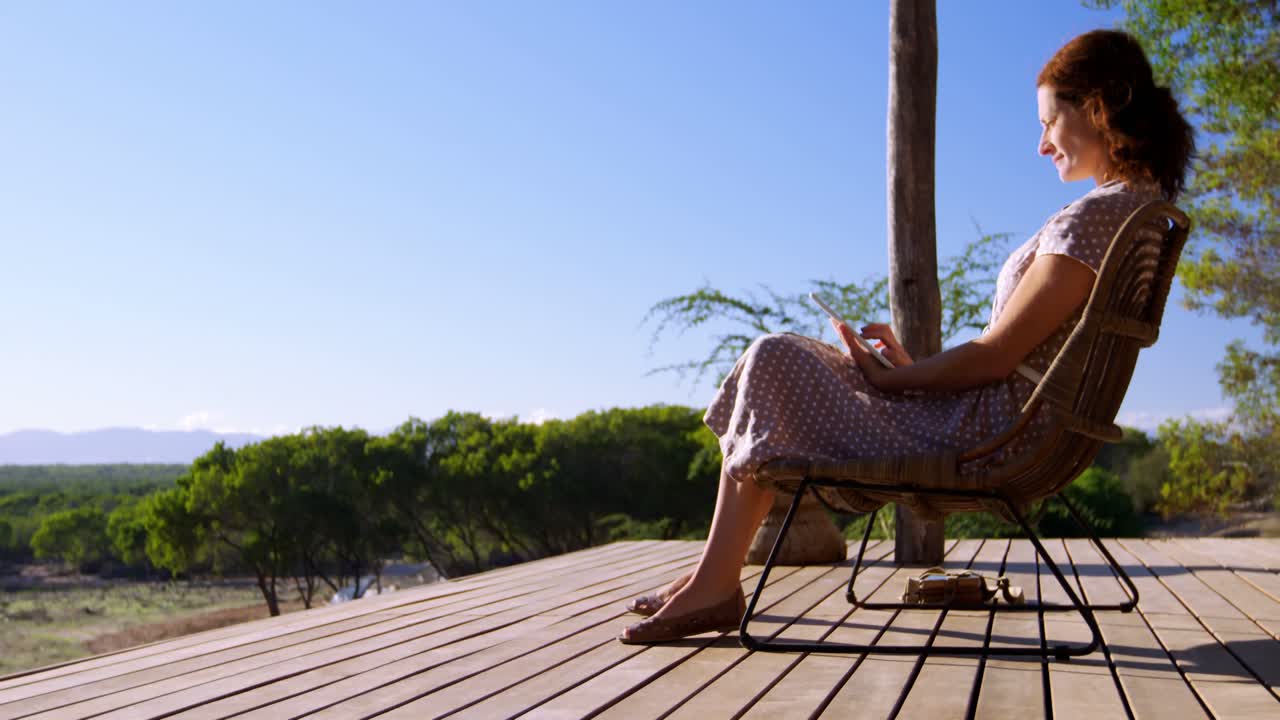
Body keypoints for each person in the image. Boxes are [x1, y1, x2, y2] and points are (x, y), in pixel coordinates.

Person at [619, 28, 1195, 644]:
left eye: (1050, 121)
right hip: (999, 418)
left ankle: (714, 584)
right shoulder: (1131, 212)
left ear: (1100, 107)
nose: (1041, 144)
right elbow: (1017, 355)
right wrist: (908, 370)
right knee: (781, 366)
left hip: (993, 433)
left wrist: (896, 381)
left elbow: (997, 356)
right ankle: (711, 577)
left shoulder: (1095, 220)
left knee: (775, 359)